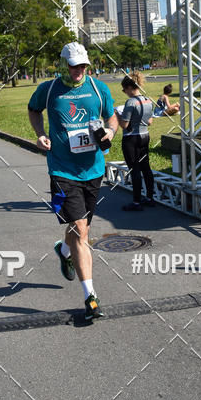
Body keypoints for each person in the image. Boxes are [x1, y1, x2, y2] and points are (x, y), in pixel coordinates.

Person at [28, 42, 118, 321]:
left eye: (82, 66)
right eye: (73, 65)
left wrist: (111, 133)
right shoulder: (50, 89)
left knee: (81, 228)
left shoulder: (98, 88)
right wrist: (41, 133)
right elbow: (33, 110)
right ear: (63, 64)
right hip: (61, 170)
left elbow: (112, 117)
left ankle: (63, 250)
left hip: (93, 169)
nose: (78, 71)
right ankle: (90, 297)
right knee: (80, 228)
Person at [118, 72, 155, 211]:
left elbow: (124, 125)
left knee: (134, 169)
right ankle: (150, 197)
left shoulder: (130, 102)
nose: (124, 93)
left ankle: (136, 202)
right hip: (145, 135)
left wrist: (117, 115)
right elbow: (150, 122)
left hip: (131, 138)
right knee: (146, 168)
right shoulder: (148, 100)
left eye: (124, 90)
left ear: (128, 87)